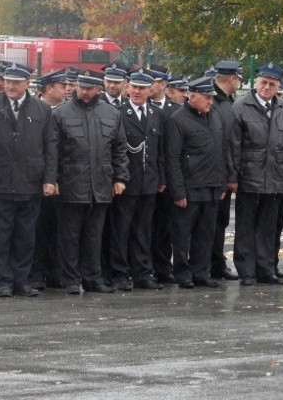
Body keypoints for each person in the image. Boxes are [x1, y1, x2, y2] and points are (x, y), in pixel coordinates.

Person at [0, 63, 58, 298]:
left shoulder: (43, 110)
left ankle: (21, 280)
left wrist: (50, 179)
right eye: (7, 81)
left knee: (25, 235)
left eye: (16, 82)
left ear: (27, 84)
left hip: (30, 182)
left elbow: (50, 147)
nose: (10, 86)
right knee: (0, 235)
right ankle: (2, 281)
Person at [54, 70, 129, 294]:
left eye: (89, 88)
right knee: (70, 236)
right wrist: (53, 179)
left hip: (101, 184)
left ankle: (93, 278)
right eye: (81, 87)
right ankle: (70, 280)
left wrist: (120, 177)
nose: (84, 92)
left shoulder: (112, 114)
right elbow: (52, 151)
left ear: (100, 89)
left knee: (94, 236)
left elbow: (119, 149)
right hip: (71, 183)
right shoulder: (61, 113)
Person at [227, 63, 283, 286]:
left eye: (272, 84)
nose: (267, 87)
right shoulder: (240, 107)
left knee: (268, 228)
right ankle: (246, 271)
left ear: (278, 87)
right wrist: (233, 177)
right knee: (246, 227)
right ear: (256, 84)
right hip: (249, 177)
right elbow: (234, 145)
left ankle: (266, 269)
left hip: (276, 178)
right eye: (263, 83)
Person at [104, 70, 165, 290]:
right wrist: (117, 178)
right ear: (127, 88)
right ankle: (119, 274)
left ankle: (142, 273)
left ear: (150, 90)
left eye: (142, 88)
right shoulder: (119, 113)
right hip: (127, 182)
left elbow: (160, 150)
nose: (137, 91)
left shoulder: (157, 114)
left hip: (149, 181)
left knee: (143, 230)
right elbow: (115, 149)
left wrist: (161, 177)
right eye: (134, 87)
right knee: (121, 230)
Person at [165, 76, 228, 289]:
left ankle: (202, 272)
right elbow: (172, 159)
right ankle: (183, 273)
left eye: (211, 97)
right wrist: (178, 192)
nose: (210, 101)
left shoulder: (214, 117)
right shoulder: (177, 120)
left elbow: (220, 152)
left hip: (211, 186)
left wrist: (221, 184)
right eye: (206, 97)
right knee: (183, 235)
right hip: (190, 188)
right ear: (192, 97)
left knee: (206, 233)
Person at [29, 70, 66, 289]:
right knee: (37, 230)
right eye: (62, 86)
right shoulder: (35, 110)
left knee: (58, 230)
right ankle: (35, 272)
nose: (66, 90)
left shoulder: (67, 111)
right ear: (49, 88)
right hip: (38, 180)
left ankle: (55, 272)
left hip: (62, 180)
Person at [151, 74, 188, 285]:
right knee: (146, 227)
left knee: (165, 227)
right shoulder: (146, 108)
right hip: (150, 177)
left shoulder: (176, 112)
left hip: (168, 179)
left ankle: (163, 268)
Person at [209, 59, 243, 281]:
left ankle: (216, 263)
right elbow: (225, 145)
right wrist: (228, 177)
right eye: (239, 78)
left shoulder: (227, 102)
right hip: (215, 175)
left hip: (220, 174)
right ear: (232, 79)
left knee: (219, 221)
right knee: (210, 223)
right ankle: (211, 264)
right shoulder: (216, 104)